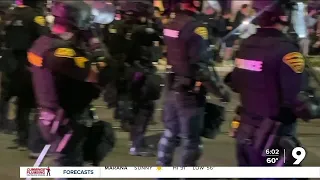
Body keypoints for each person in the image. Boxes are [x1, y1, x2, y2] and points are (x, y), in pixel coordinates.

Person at [226, 0, 316, 172]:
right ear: (283, 15)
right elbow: (298, 101)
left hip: (245, 132)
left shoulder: (246, 45)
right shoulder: (287, 51)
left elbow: (235, 83)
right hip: (273, 137)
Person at [28, 0, 111, 168]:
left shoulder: (42, 43)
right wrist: (96, 47)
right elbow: (99, 75)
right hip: (65, 121)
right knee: (69, 166)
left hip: (49, 114)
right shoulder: (62, 53)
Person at [157, 0, 230, 168]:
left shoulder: (171, 24)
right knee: (191, 142)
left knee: (170, 134)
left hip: (172, 87)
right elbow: (201, 70)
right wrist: (221, 92)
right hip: (189, 92)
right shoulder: (196, 28)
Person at [0, 0, 49, 150]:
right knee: (30, 102)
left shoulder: (10, 15)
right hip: (29, 64)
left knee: (14, 99)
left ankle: (21, 137)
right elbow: (45, 38)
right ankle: (32, 140)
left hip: (10, 64)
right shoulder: (36, 17)